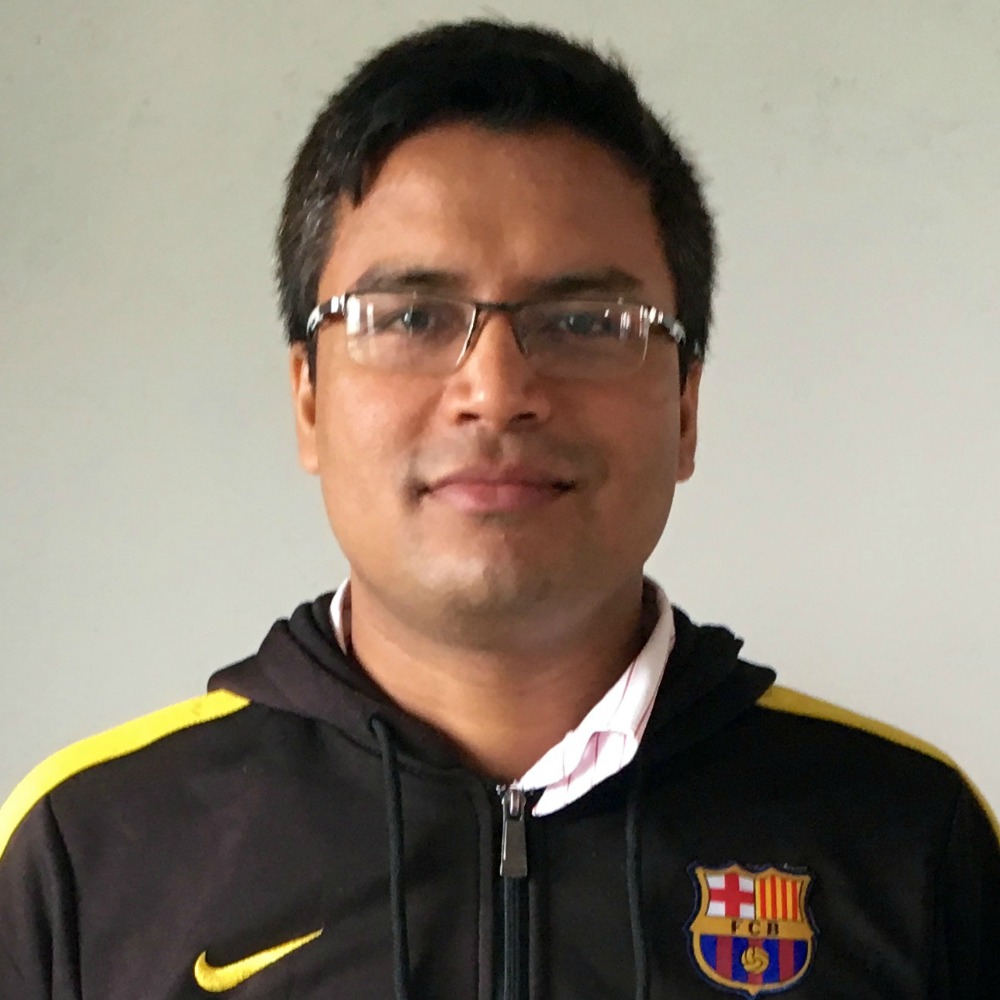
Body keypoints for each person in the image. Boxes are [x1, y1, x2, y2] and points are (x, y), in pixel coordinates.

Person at [1, 19, 997, 1000]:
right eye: (411, 317)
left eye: (585, 322)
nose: (496, 390)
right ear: (307, 396)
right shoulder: (87, 852)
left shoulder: (912, 837)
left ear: (686, 406)